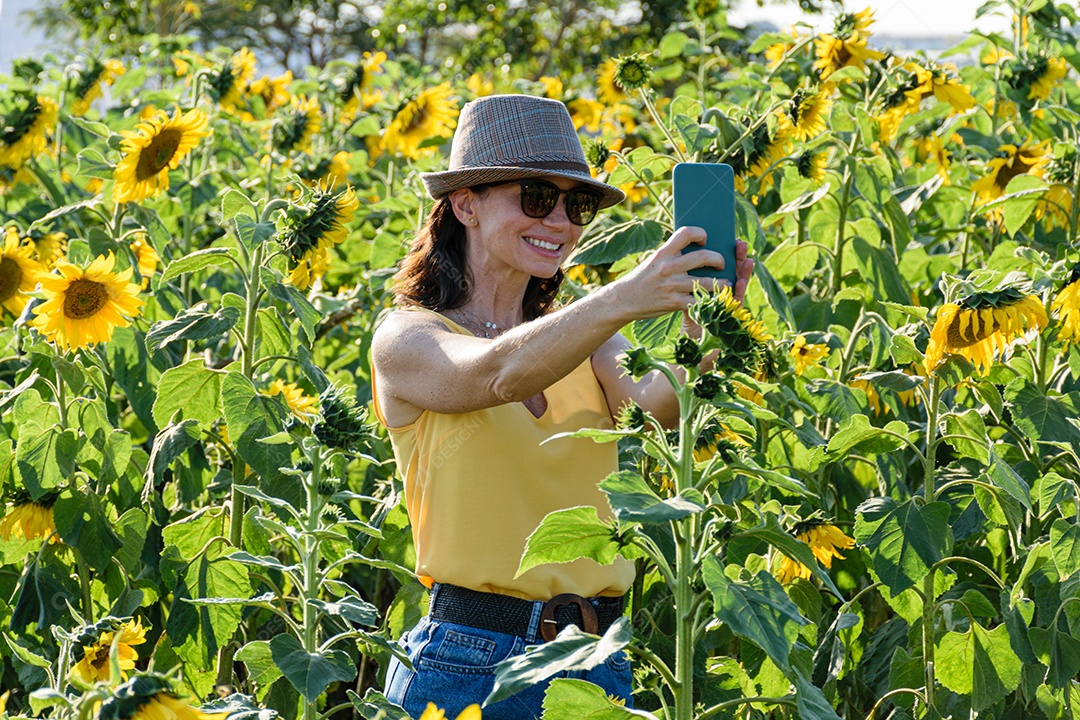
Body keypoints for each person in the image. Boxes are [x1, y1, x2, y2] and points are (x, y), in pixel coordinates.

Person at [371, 94, 753, 720]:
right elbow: (495, 375)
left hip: (595, 659)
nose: (560, 222)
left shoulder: (592, 340)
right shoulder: (409, 336)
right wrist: (622, 297)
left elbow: (657, 411)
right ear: (465, 204)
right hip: (469, 662)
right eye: (535, 198)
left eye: (574, 205)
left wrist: (712, 327)